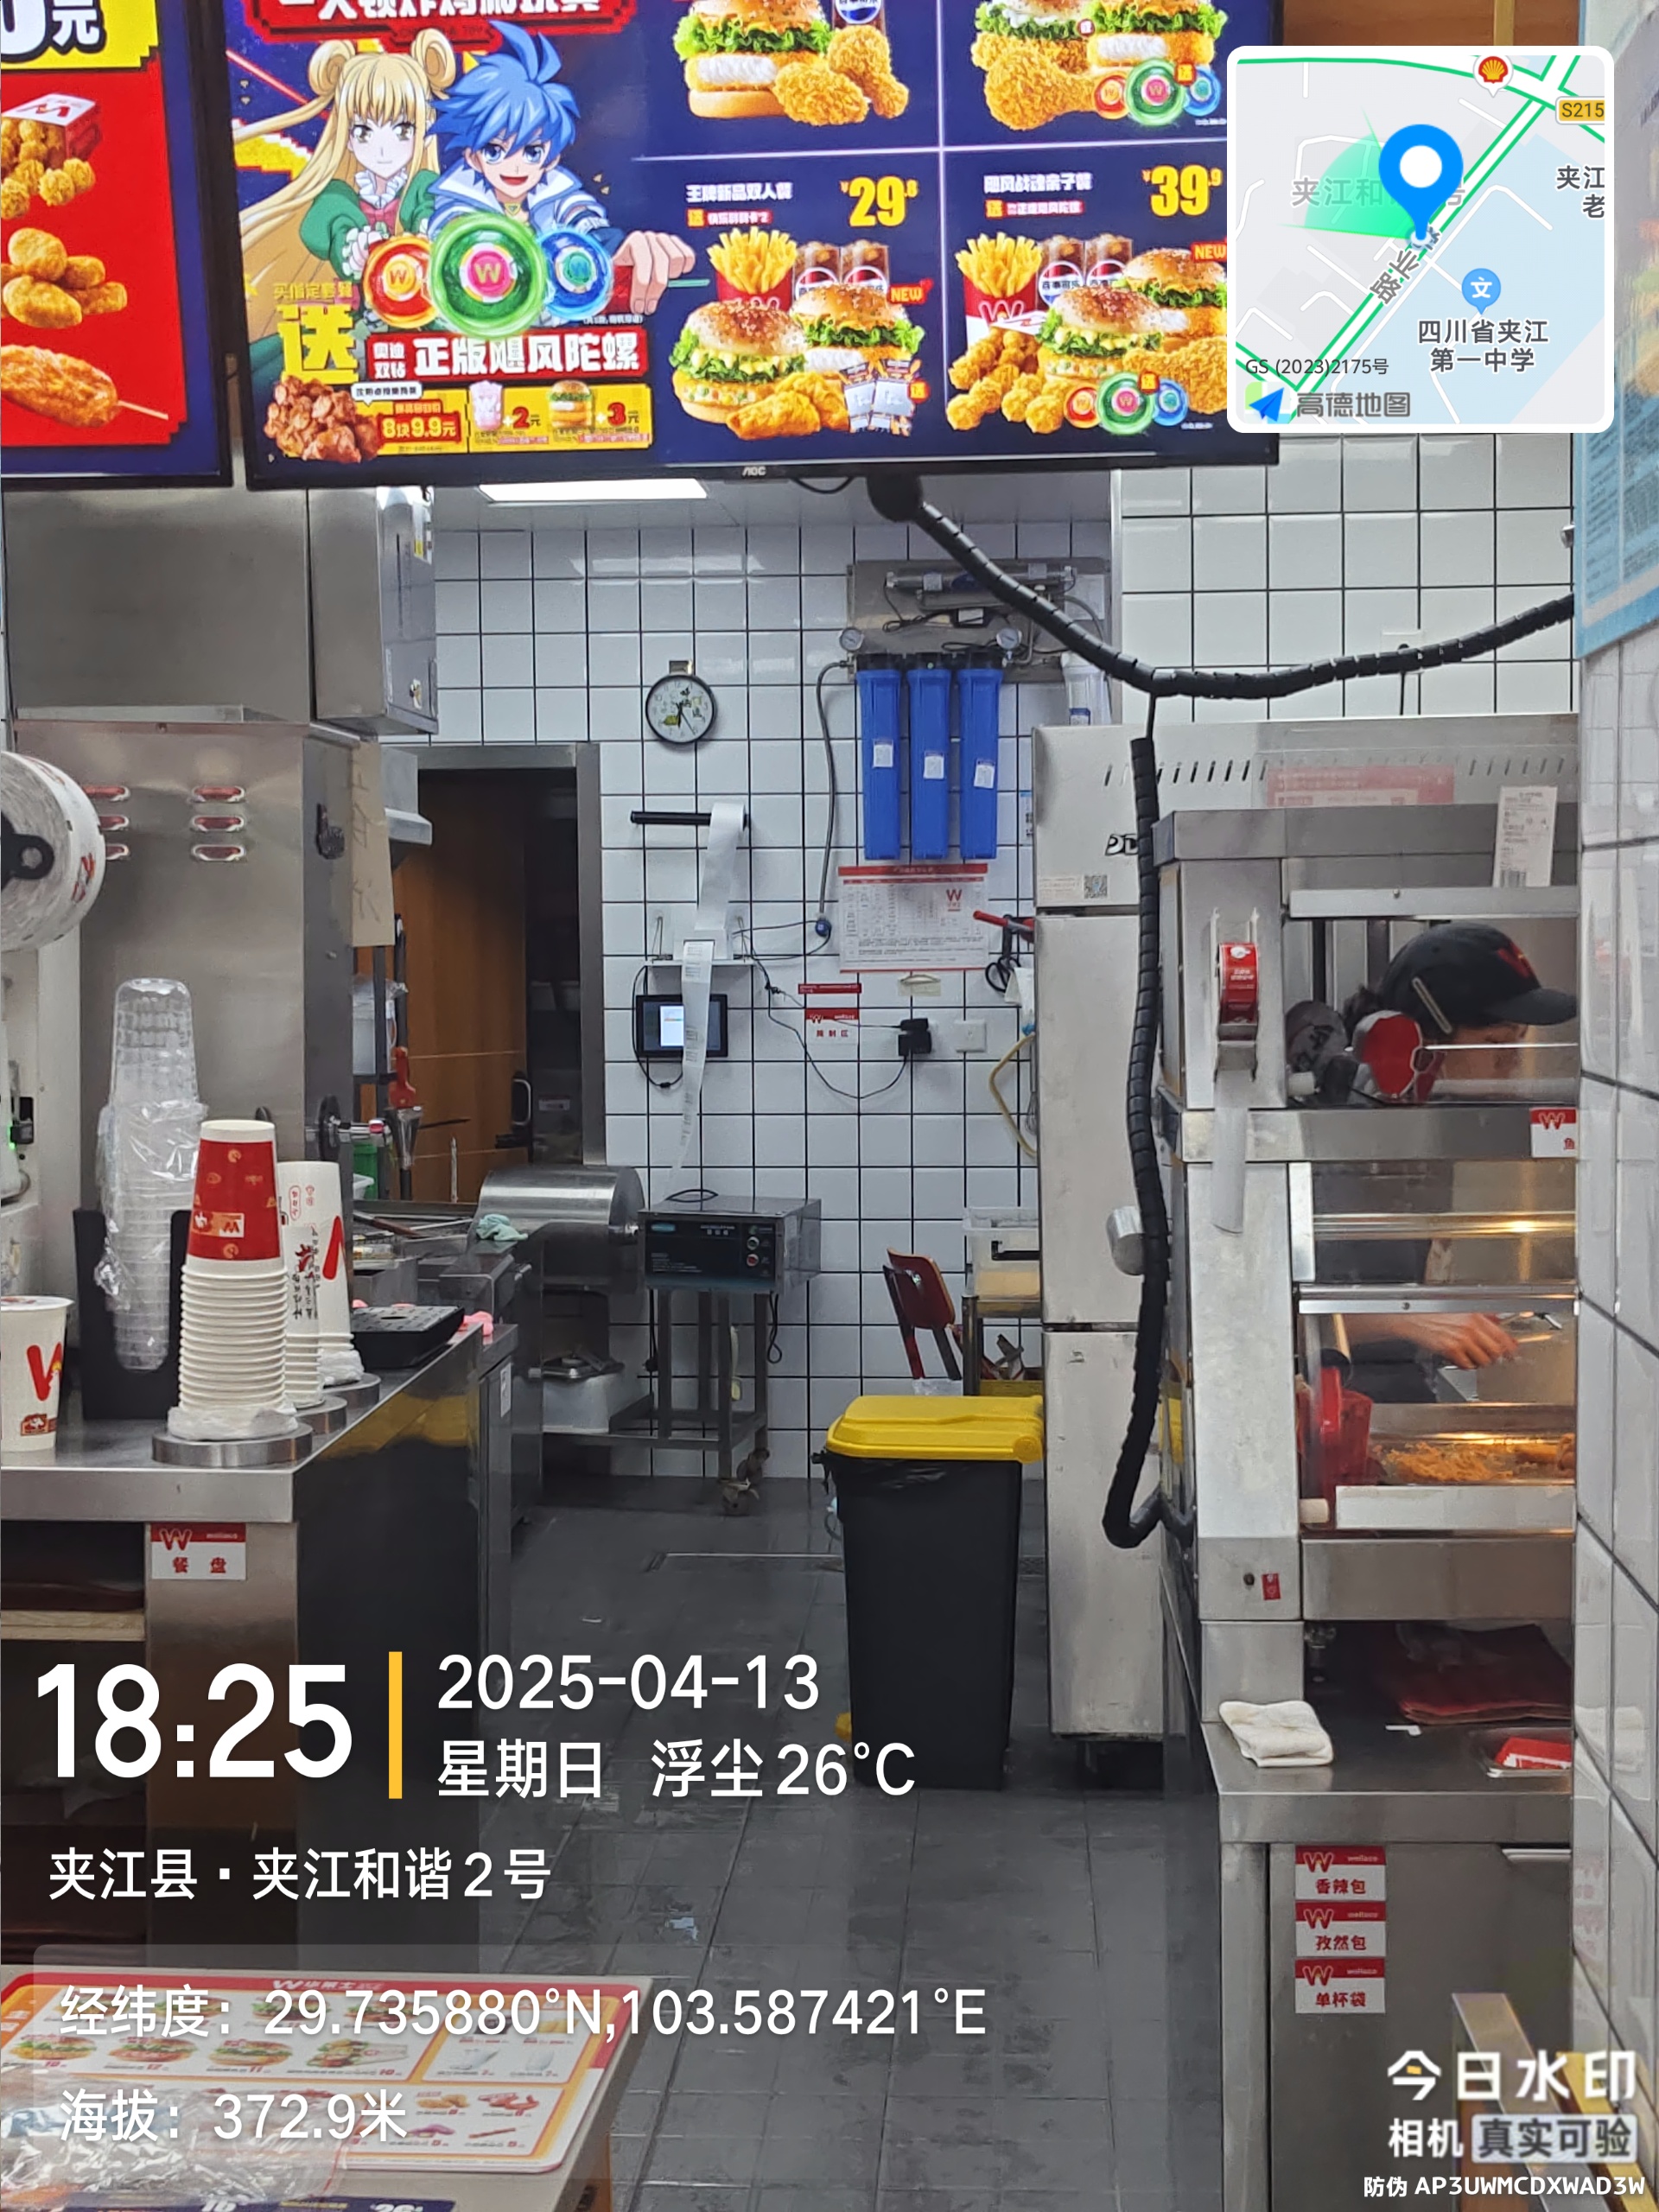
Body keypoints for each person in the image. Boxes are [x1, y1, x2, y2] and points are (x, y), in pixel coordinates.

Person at [1298, 923, 1577, 1400]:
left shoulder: (1432, 1121)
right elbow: (1252, 1317)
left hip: (1402, 1397)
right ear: (1414, 1043)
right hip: (1331, 1410)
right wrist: (1409, 1316)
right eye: (1495, 1043)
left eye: (1519, 1039)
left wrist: (1451, 1318)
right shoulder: (1333, 1144)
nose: (1514, 1061)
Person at [428, 27, 693, 316]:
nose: (515, 165)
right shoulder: (459, 199)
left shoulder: (558, 193)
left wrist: (620, 250)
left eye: (532, 152)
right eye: (495, 151)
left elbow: (587, 225)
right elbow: (451, 235)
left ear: (552, 158)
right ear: (473, 158)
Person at [237, 35, 457, 343]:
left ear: (424, 128)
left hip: (422, 321)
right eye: (365, 131)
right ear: (347, 137)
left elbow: (431, 207)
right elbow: (325, 224)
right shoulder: (338, 195)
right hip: (352, 326)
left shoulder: (423, 186)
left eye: (402, 129)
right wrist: (351, 247)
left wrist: (432, 231)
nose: (383, 148)